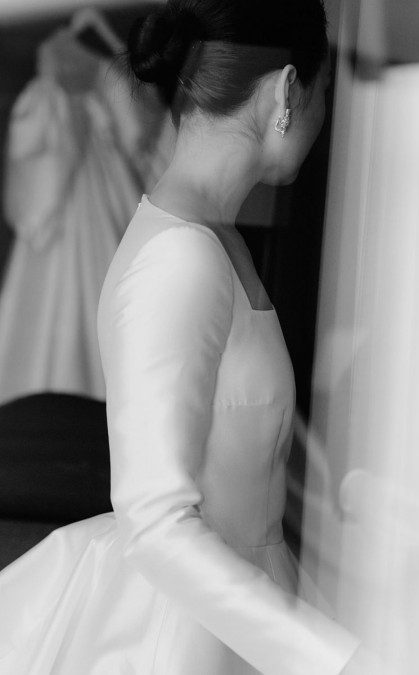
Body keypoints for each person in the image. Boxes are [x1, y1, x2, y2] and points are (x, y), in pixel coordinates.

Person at [0, 1, 361, 673]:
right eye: (324, 93)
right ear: (287, 91)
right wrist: (334, 660)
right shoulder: (180, 258)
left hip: (242, 604)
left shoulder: (214, 238)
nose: (322, 116)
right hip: (185, 631)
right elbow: (156, 522)